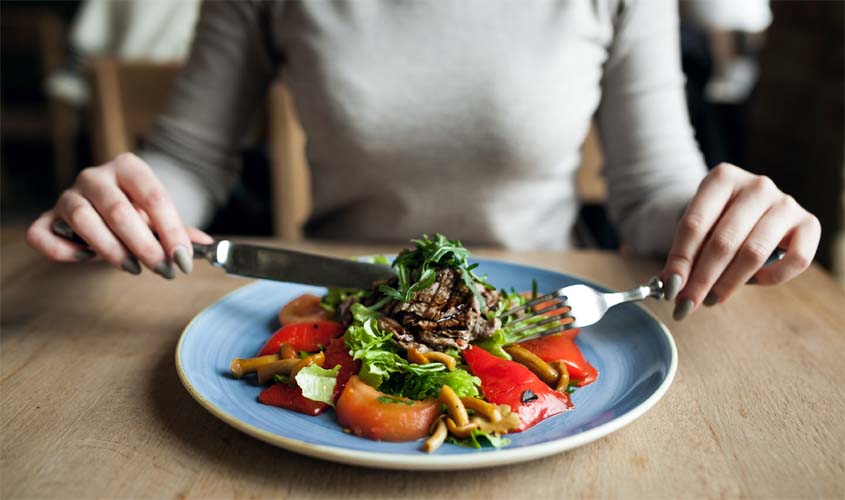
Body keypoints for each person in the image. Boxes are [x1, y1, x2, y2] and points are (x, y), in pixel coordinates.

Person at [26, 0, 820, 322]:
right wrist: (129, 202)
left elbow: (652, 192)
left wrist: (724, 219)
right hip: (337, 306)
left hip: (540, 314)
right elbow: (190, 157)